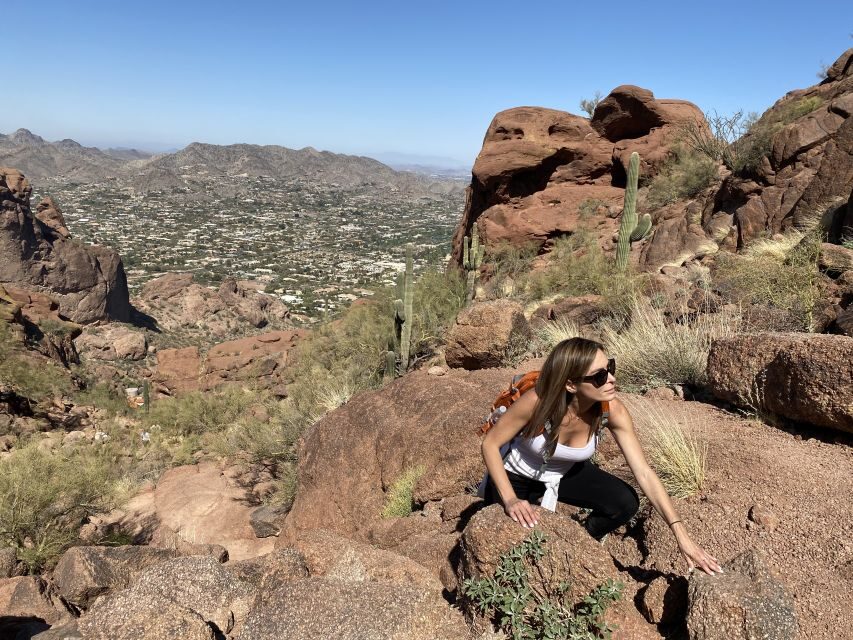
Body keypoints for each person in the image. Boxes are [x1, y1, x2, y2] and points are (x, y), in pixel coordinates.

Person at [480, 337, 723, 576]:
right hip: (515, 475)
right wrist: (510, 500)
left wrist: (681, 534)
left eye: (610, 368)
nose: (612, 379)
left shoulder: (611, 410)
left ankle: (579, 544)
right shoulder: (537, 402)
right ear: (571, 385)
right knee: (513, 547)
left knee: (624, 503)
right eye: (599, 376)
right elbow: (490, 444)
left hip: (563, 472)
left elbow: (644, 472)